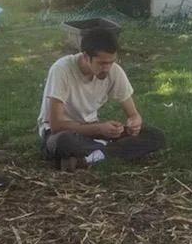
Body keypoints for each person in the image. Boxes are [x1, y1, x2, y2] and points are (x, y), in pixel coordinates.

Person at [37, 25, 166, 170]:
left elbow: (133, 114)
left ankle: (91, 156)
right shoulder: (61, 70)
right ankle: (104, 151)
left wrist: (134, 124)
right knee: (64, 141)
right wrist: (99, 129)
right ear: (86, 56)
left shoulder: (114, 71)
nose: (107, 68)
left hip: (92, 132)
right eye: (102, 63)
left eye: (111, 62)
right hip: (62, 133)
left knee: (155, 135)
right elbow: (56, 126)